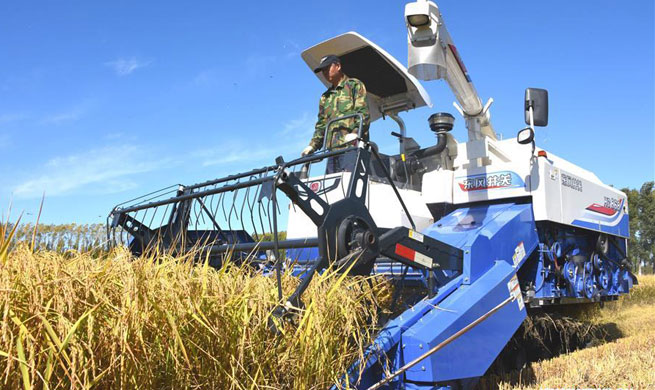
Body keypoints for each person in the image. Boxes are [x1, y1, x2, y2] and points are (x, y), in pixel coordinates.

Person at [301, 55, 370, 172]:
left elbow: (363, 114)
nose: (325, 72)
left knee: (349, 184)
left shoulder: (354, 85)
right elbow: (322, 125)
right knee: (331, 186)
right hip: (332, 153)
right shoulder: (325, 97)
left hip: (352, 148)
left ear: (338, 66)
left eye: (327, 68)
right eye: (322, 70)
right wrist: (312, 145)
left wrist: (355, 133)